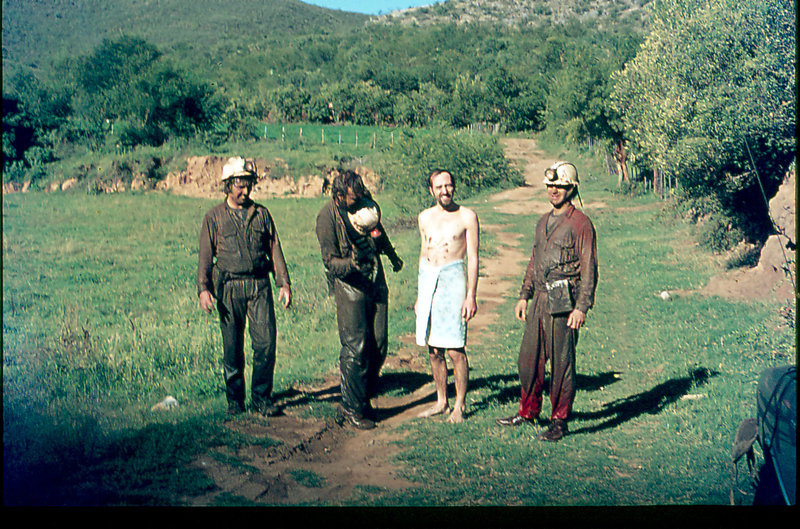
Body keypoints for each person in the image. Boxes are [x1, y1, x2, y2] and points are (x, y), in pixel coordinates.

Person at [496, 161, 598, 441]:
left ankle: (559, 421)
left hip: (565, 301)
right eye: (551, 185)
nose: (554, 190)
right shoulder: (542, 222)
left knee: (562, 364)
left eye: (561, 186)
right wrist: (523, 295)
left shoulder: (581, 224)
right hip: (540, 298)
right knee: (528, 360)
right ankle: (528, 412)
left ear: (571, 189)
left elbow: (589, 268)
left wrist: (581, 307)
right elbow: (534, 260)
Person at [197, 157, 292, 417]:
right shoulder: (213, 217)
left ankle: (262, 399)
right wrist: (204, 289)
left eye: (248, 185)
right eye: (240, 186)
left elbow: (274, 249)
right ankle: (235, 403)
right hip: (228, 289)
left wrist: (283, 283)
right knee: (232, 348)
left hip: (259, 286)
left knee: (266, 344)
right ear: (228, 185)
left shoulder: (262, 214)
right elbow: (205, 256)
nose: (245, 191)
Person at [315, 170, 404, 430]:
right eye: (355, 196)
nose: (361, 198)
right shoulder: (326, 217)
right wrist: (351, 264)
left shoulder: (364, 204)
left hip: (374, 276)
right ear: (339, 196)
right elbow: (330, 261)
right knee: (356, 347)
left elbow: (378, 232)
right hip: (349, 285)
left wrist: (391, 256)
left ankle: (364, 395)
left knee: (379, 342)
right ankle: (353, 408)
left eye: (362, 193)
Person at [415, 169, 479, 423]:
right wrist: (421, 295)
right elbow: (423, 254)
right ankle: (441, 401)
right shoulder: (424, 218)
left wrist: (470, 295)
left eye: (449, 185)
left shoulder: (467, 216)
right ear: (431, 190)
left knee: (455, 349)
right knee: (433, 350)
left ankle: (459, 406)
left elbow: (473, 257)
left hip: (454, 281)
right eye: (439, 187)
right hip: (430, 280)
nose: (445, 191)